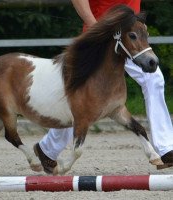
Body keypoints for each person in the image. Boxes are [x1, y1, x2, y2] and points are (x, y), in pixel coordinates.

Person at [33, 0, 173, 174]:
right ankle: (47, 150)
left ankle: (166, 148)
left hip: (130, 36)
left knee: (154, 79)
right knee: (80, 100)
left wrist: (139, 25)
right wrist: (94, 26)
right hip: (101, 38)